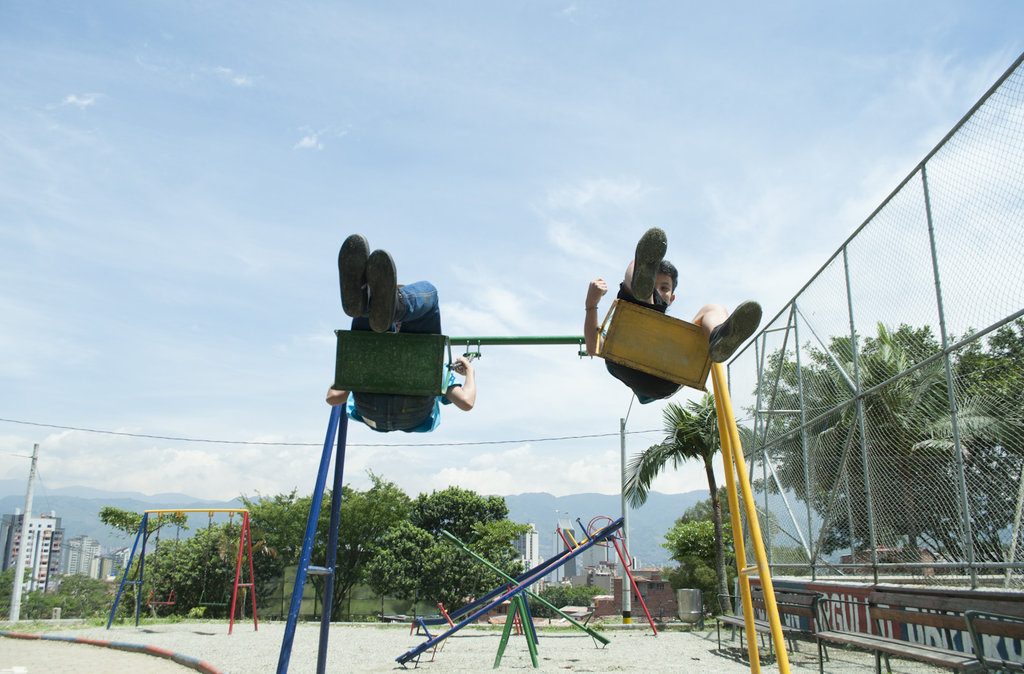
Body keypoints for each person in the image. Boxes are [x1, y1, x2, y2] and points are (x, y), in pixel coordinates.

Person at [583, 227, 762, 403]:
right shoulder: (622, 331)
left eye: (665, 288)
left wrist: (591, 303)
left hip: (667, 376)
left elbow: (593, 347)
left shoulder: (672, 338)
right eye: (655, 285)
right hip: (631, 365)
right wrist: (591, 305)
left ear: (673, 298)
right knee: (642, 298)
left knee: (712, 309)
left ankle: (718, 336)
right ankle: (641, 283)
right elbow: (593, 347)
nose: (659, 291)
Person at [325, 234, 476, 432]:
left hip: (369, 410)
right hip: (413, 413)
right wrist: (470, 373)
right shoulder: (434, 367)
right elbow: (466, 402)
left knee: (371, 334)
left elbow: (333, 398)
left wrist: (350, 369)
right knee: (428, 291)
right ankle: (387, 305)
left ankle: (368, 301)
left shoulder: (366, 361)